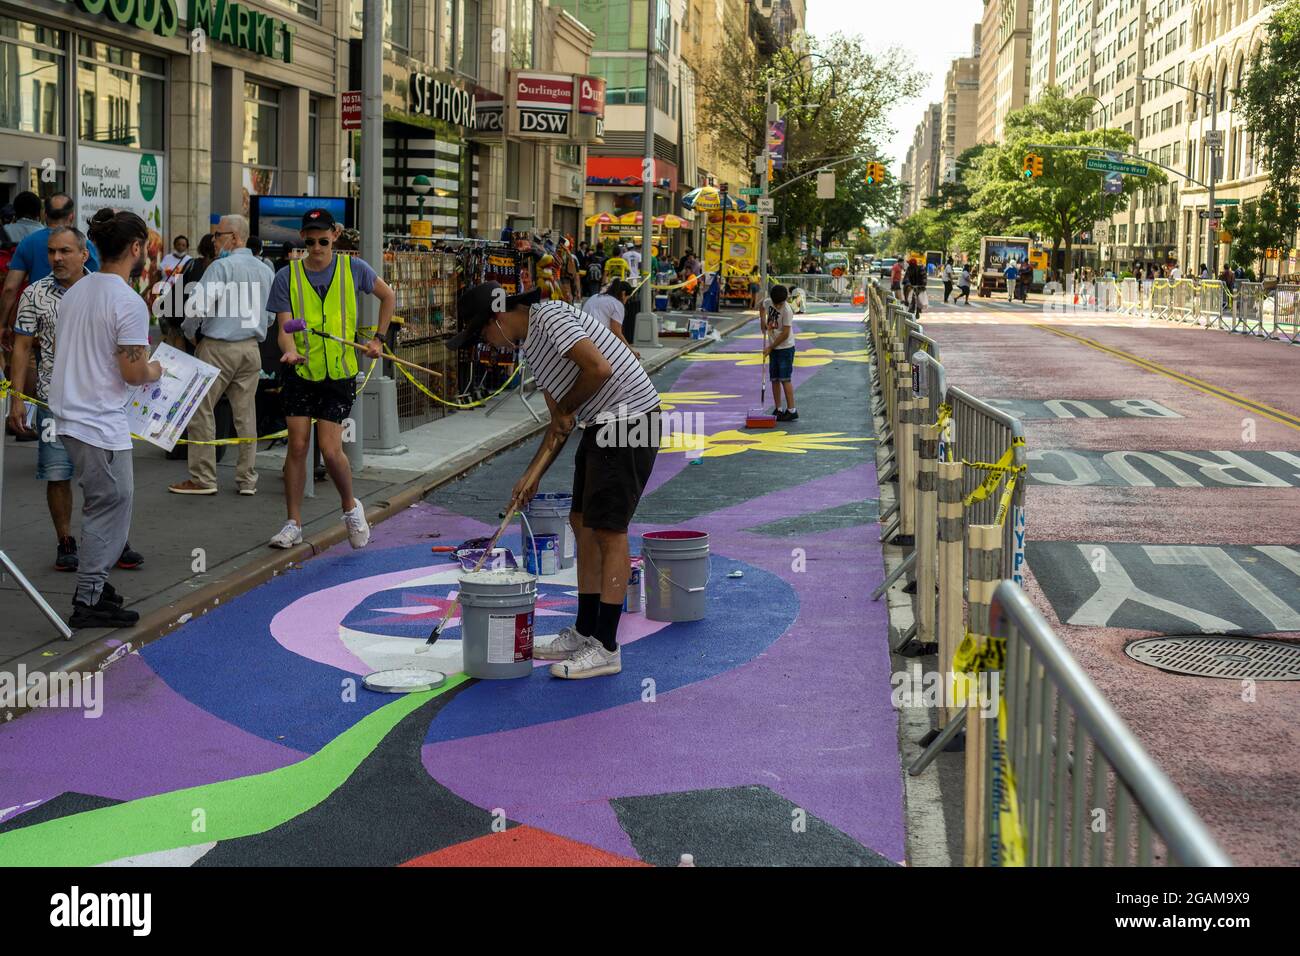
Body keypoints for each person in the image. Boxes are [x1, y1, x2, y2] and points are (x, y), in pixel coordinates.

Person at [449, 282, 661, 679]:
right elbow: (561, 424)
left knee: (608, 530)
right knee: (580, 522)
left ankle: (606, 647)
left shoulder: (549, 316)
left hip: (630, 421)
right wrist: (529, 476)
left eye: (482, 334)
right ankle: (584, 631)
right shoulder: (532, 351)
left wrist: (566, 408)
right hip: (602, 423)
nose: (486, 344)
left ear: (498, 317)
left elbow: (599, 369)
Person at [48, 209, 162, 628]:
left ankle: (98, 583)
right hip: (98, 420)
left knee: (107, 503)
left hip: (73, 414)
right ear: (136, 248)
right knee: (109, 506)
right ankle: (89, 597)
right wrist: (158, 369)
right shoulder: (128, 301)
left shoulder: (78, 290)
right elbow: (134, 373)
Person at [265, 207, 396, 550]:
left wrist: (378, 339)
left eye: (323, 240)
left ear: (335, 236)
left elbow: (388, 296)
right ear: (303, 240)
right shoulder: (286, 276)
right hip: (301, 370)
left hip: (339, 372)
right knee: (297, 445)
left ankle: (351, 507)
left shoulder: (354, 269)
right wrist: (289, 349)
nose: (317, 247)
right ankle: (293, 523)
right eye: (310, 241)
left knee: (330, 447)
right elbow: (284, 328)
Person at [168, 214, 274, 497]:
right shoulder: (265, 269)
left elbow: (196, 308)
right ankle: (247, 479)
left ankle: (203, 478)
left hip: (217, 346)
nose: (214, 240)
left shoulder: (221, 267)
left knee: (200, 409)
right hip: (251, 347)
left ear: (235, 238)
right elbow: (272, 315)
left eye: (218, 235)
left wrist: (190, 332)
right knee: (246, 413)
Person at [7, 226, 92, 571]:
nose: (56, 258)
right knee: (57, 474)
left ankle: (111, 538)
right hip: (52, 402)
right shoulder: (34, 294)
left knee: (103, 478)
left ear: (84, 255)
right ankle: (66, 540)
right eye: (52, 252)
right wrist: (17, 398)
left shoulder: (101, 290)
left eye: (65, 251)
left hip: (97, 403)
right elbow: (22, 347)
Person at [2, 193, 101, 345]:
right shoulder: (83, 246)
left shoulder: (28, 243)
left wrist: (2, 324)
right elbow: (98, 285)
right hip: (76, 329)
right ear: (71, 217)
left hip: (36, 327)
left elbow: (10, 288)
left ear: (45, 215)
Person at [761, 283, 798, 421]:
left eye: (779, 304)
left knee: (785, 379)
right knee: (774, 379)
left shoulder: (787, 310)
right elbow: (761, 306)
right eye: (775, 304)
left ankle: (791, 410)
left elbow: (786, 333)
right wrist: (762, 321)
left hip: (785, 348)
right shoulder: (768, 301)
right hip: (774, 347)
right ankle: (778, 409)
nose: (777, 307)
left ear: (785, 300)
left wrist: (770, 347)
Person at [582, 279, 637, 355]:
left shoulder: (595, 296)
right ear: (623, 293)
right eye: (627, 298)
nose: (626, 302)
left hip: (581, 336)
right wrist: (631, 351)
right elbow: (616, 332)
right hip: (597, 341)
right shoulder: (617, 304)